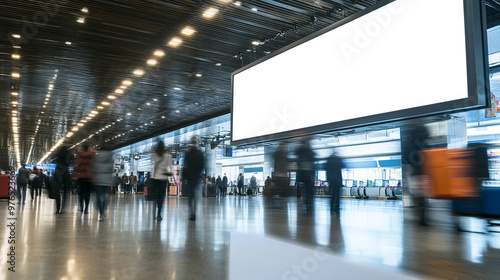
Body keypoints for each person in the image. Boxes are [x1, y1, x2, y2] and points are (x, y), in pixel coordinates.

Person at [402, 123, 430, 226]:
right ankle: (422, 217)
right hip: (422, 172)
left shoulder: (410, 144)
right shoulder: (423, 143)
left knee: (418, 196)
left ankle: (421, 216)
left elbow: (406, 158)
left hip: (415, 173)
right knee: (422, 196)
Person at [182, 136, 205, 221]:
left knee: (190, 196)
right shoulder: (200, 154)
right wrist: (199, 174)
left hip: (189, 177)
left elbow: (185, 166)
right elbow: (202, 165)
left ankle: (191, 212)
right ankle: (194, 212)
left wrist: (183, 178)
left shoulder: (187, 153)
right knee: (196, 196)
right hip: (197, 178)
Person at [91, 143, 114, 221]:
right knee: (106, 195)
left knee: (99, 196)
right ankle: (104, 210)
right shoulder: (111, 158)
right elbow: (111, 169)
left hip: (99, 179)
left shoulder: (97, 157)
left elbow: (94, 168)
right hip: (107, 179)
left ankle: (101, 212)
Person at [151, 140, 172, 221]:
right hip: (163, 178)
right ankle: (159, 213)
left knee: (156, 195)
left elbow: (152, 166)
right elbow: (169, 166)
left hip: (156, 177)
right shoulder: (167, 155)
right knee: (161, 196)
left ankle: (154, 211)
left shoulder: (154, 155)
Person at [74, 142, 95, 214]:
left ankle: (81, 207)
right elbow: (93, 165)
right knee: (87, 193)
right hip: (89, 177)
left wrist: (75, 173)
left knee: (81, 193)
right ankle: (86, 208)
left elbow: (77, 164)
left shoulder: (79, 154)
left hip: (81, 176)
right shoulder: (92, 154)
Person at [52, 140, 73, 214]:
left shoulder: (58, 153)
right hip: (65, 173)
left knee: (57, 191)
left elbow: (53, 159)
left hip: (58, 173)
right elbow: (72, 161)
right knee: (65, 191)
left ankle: (57, 208)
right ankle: (63, 207)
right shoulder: (69, 153)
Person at [295, 137, 316, 211]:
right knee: (308, 188)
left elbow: (296, 153)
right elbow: (313, 157)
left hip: (302, 172)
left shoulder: (300, 150)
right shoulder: (309, 150)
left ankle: (305, 201)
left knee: (304, 188)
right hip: (308, 172)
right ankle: (308, 201)